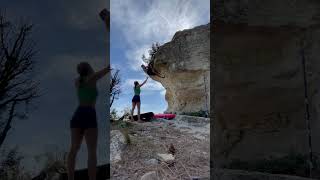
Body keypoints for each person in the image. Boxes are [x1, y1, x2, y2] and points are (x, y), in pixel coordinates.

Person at [67, 62, 111, 180]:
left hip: (78, 113)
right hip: (89, 114)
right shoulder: (92, 78)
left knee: (73, 150)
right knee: (91, 152)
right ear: (89, 69)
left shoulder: (77, 82)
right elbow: (106, 69)